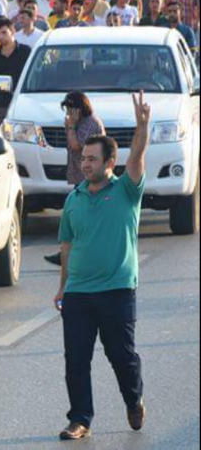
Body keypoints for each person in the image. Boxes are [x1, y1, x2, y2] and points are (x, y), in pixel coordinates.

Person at [53, 92, 151, 441]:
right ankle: (80, 419)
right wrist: (63, 285)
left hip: (117, 290)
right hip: (79, 292)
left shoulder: (126, 190)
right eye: (84, 158)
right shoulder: (73, 199)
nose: (85, 163)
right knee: (76, 360)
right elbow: (67, 244)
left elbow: (138, 156)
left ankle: (133, 397)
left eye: (93, 159)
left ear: (110, 163)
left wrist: (142, 127)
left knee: (121, 356)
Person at [44, 92, 105, 267]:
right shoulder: (80, 123)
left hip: (90, 177)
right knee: (77, 215)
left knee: (78, 215)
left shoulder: (89, 123)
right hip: (83, 176)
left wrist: (70, 127)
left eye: (71, 111)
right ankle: (68, 252)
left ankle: (69, 254)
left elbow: (76, 145)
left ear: (79, 110)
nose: (69, 115)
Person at [0, 17, 32, 122]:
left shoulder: (26, 51)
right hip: (1, 104)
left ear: (13, 31)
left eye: (4, 32)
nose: (1, 36)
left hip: (23, 101)